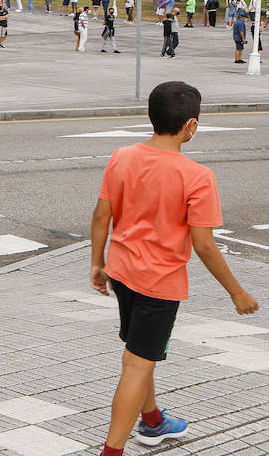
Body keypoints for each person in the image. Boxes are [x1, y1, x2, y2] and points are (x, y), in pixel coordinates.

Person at [90, 81, 258, 455]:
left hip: (122, 273)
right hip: (158, 284)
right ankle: (112, 450)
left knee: (139, 353)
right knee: (136, 363)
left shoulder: (122, 156)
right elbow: (204, 245)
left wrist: (97, 264)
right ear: (191, 125)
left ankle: (152, 422)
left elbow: (102, 216)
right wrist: (237, 292)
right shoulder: (197, 177)